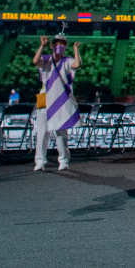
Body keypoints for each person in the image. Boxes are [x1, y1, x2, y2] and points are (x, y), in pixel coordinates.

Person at [32, 30, 82, 171]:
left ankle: (64, 160)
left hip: (61, 99)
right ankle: (40, 161)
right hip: (45, 98)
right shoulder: (46, 59)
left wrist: (76, 50)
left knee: (61, 132)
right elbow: (35, 61)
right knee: (42, 132)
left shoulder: (67, 61)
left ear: (65, 46)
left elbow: (77, 65)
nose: (59, 46)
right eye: (56, 44)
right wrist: (42, 45)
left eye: (62, 44)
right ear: (52, 46)